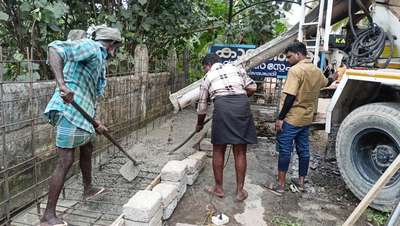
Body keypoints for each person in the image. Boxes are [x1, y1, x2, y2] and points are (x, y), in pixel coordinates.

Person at [40, 25, 122, 226]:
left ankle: (88, 189)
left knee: (88, 146)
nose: (116, 52)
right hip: (68, 111)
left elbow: (87, 94)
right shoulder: (92, 48)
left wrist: (96, 123)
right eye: (117, 47)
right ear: (111, 45)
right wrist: (62, 85)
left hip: (82, 114)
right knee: (65, 160)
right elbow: (55, 48)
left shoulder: (99, 60)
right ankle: (48, 216)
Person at [265, 42, 337, 195]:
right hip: (306, 119)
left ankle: (280, 185)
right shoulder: (316, 70)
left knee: (285, 151)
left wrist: (280, 118)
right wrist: (333, 76)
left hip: (291, 119)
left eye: (289, 56)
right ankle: (301, 183)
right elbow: (327, 82)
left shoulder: (295, 70)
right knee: (303, 150)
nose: (288, 60)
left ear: (299, 54)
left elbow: (290, 96)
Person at [196, 53, 257, 201]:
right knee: (240, 151)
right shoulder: (236, 68)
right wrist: (240, 96)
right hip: (242, 106)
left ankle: (218, 189)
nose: (205, 71)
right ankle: (240, 191)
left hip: (222, 108)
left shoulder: (208, 77)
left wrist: (199, 124)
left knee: (218, 149)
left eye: (205, 68)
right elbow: (253, 88)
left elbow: (202, 107)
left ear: (208, 65)